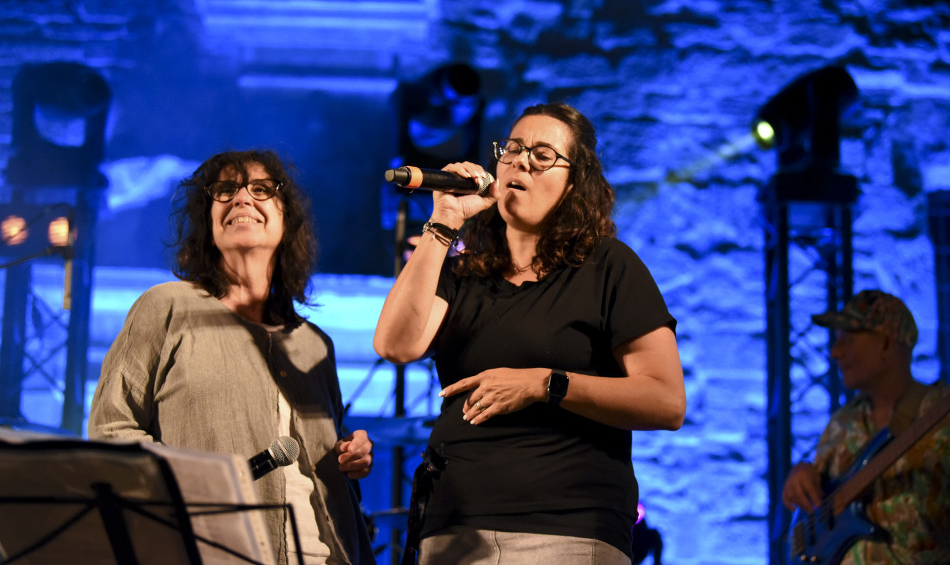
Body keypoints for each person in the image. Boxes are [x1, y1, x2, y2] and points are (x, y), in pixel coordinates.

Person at [374, 103, 687, 564]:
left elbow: (666, 401)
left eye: (542, 155)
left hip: (568, 527)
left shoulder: (608, 267)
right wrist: (443, 223)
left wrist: (545, 383)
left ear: (574, 182)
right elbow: (395, 345)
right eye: (513, 149)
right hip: (455, 527)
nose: (520, 161)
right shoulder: (462, 274)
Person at [89, 150, 376, 565]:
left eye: (261, 189)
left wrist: (353, 454)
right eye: (224, 190)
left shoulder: (315, 343)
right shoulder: (165, 307)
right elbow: (111, 429)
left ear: (286, 219)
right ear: (207, 222)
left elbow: (323, 459)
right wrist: (185, 488)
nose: (242, 199)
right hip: (213, 549)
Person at [781, 289, 950, 564]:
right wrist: (802, 475)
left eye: (848, 338)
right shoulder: (842, 422)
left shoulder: (939, 415)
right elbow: (820, 507)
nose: (835, 353)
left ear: (885, 343)